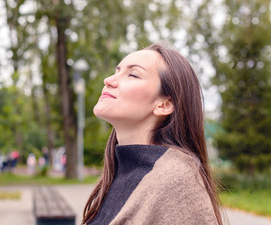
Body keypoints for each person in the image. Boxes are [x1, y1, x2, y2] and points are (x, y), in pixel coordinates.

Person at [82, 43, 224, 225]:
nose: (109, 80)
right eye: (117, 71)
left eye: (132, 74)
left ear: (163, 104)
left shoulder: (175, 180)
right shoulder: (119, 173)